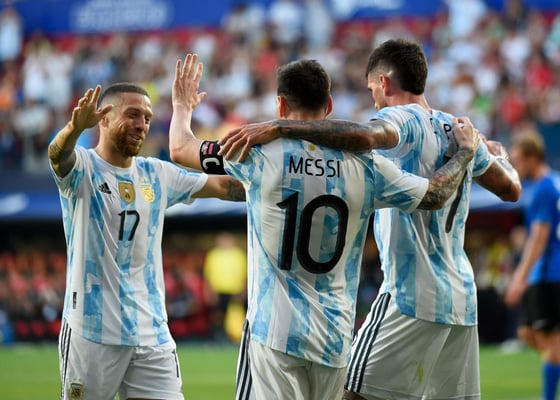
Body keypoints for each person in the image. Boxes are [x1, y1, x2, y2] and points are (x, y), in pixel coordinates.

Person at [218, 38, 522, 400]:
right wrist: (490, 154)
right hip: (461, 297)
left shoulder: (401, 118)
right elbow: (511, 188)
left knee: (350, 393)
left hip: (410, 293)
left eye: (371, 90)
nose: (373, 101)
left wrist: (283, 127)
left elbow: (365, 137)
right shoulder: (460, 131)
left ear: (384, 82)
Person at [47, 82, 244, 400]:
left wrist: (276, 183)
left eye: (148, 118)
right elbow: (58, 157)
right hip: (92, 333)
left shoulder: (157, 174)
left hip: (151, 332)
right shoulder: (84, 168)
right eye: (133, 114)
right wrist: (74, 128)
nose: (142, 124)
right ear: (104, 118)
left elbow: (224, 187)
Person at [505, 131, 560, 400]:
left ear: (532, 158)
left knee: (550, 341)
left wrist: (519, 278)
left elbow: (539, 238)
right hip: (547, 272)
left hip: (549, 272)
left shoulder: (544, 189)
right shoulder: (553, 183)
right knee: (527, 331)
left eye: (517, 160)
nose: (515, 166)